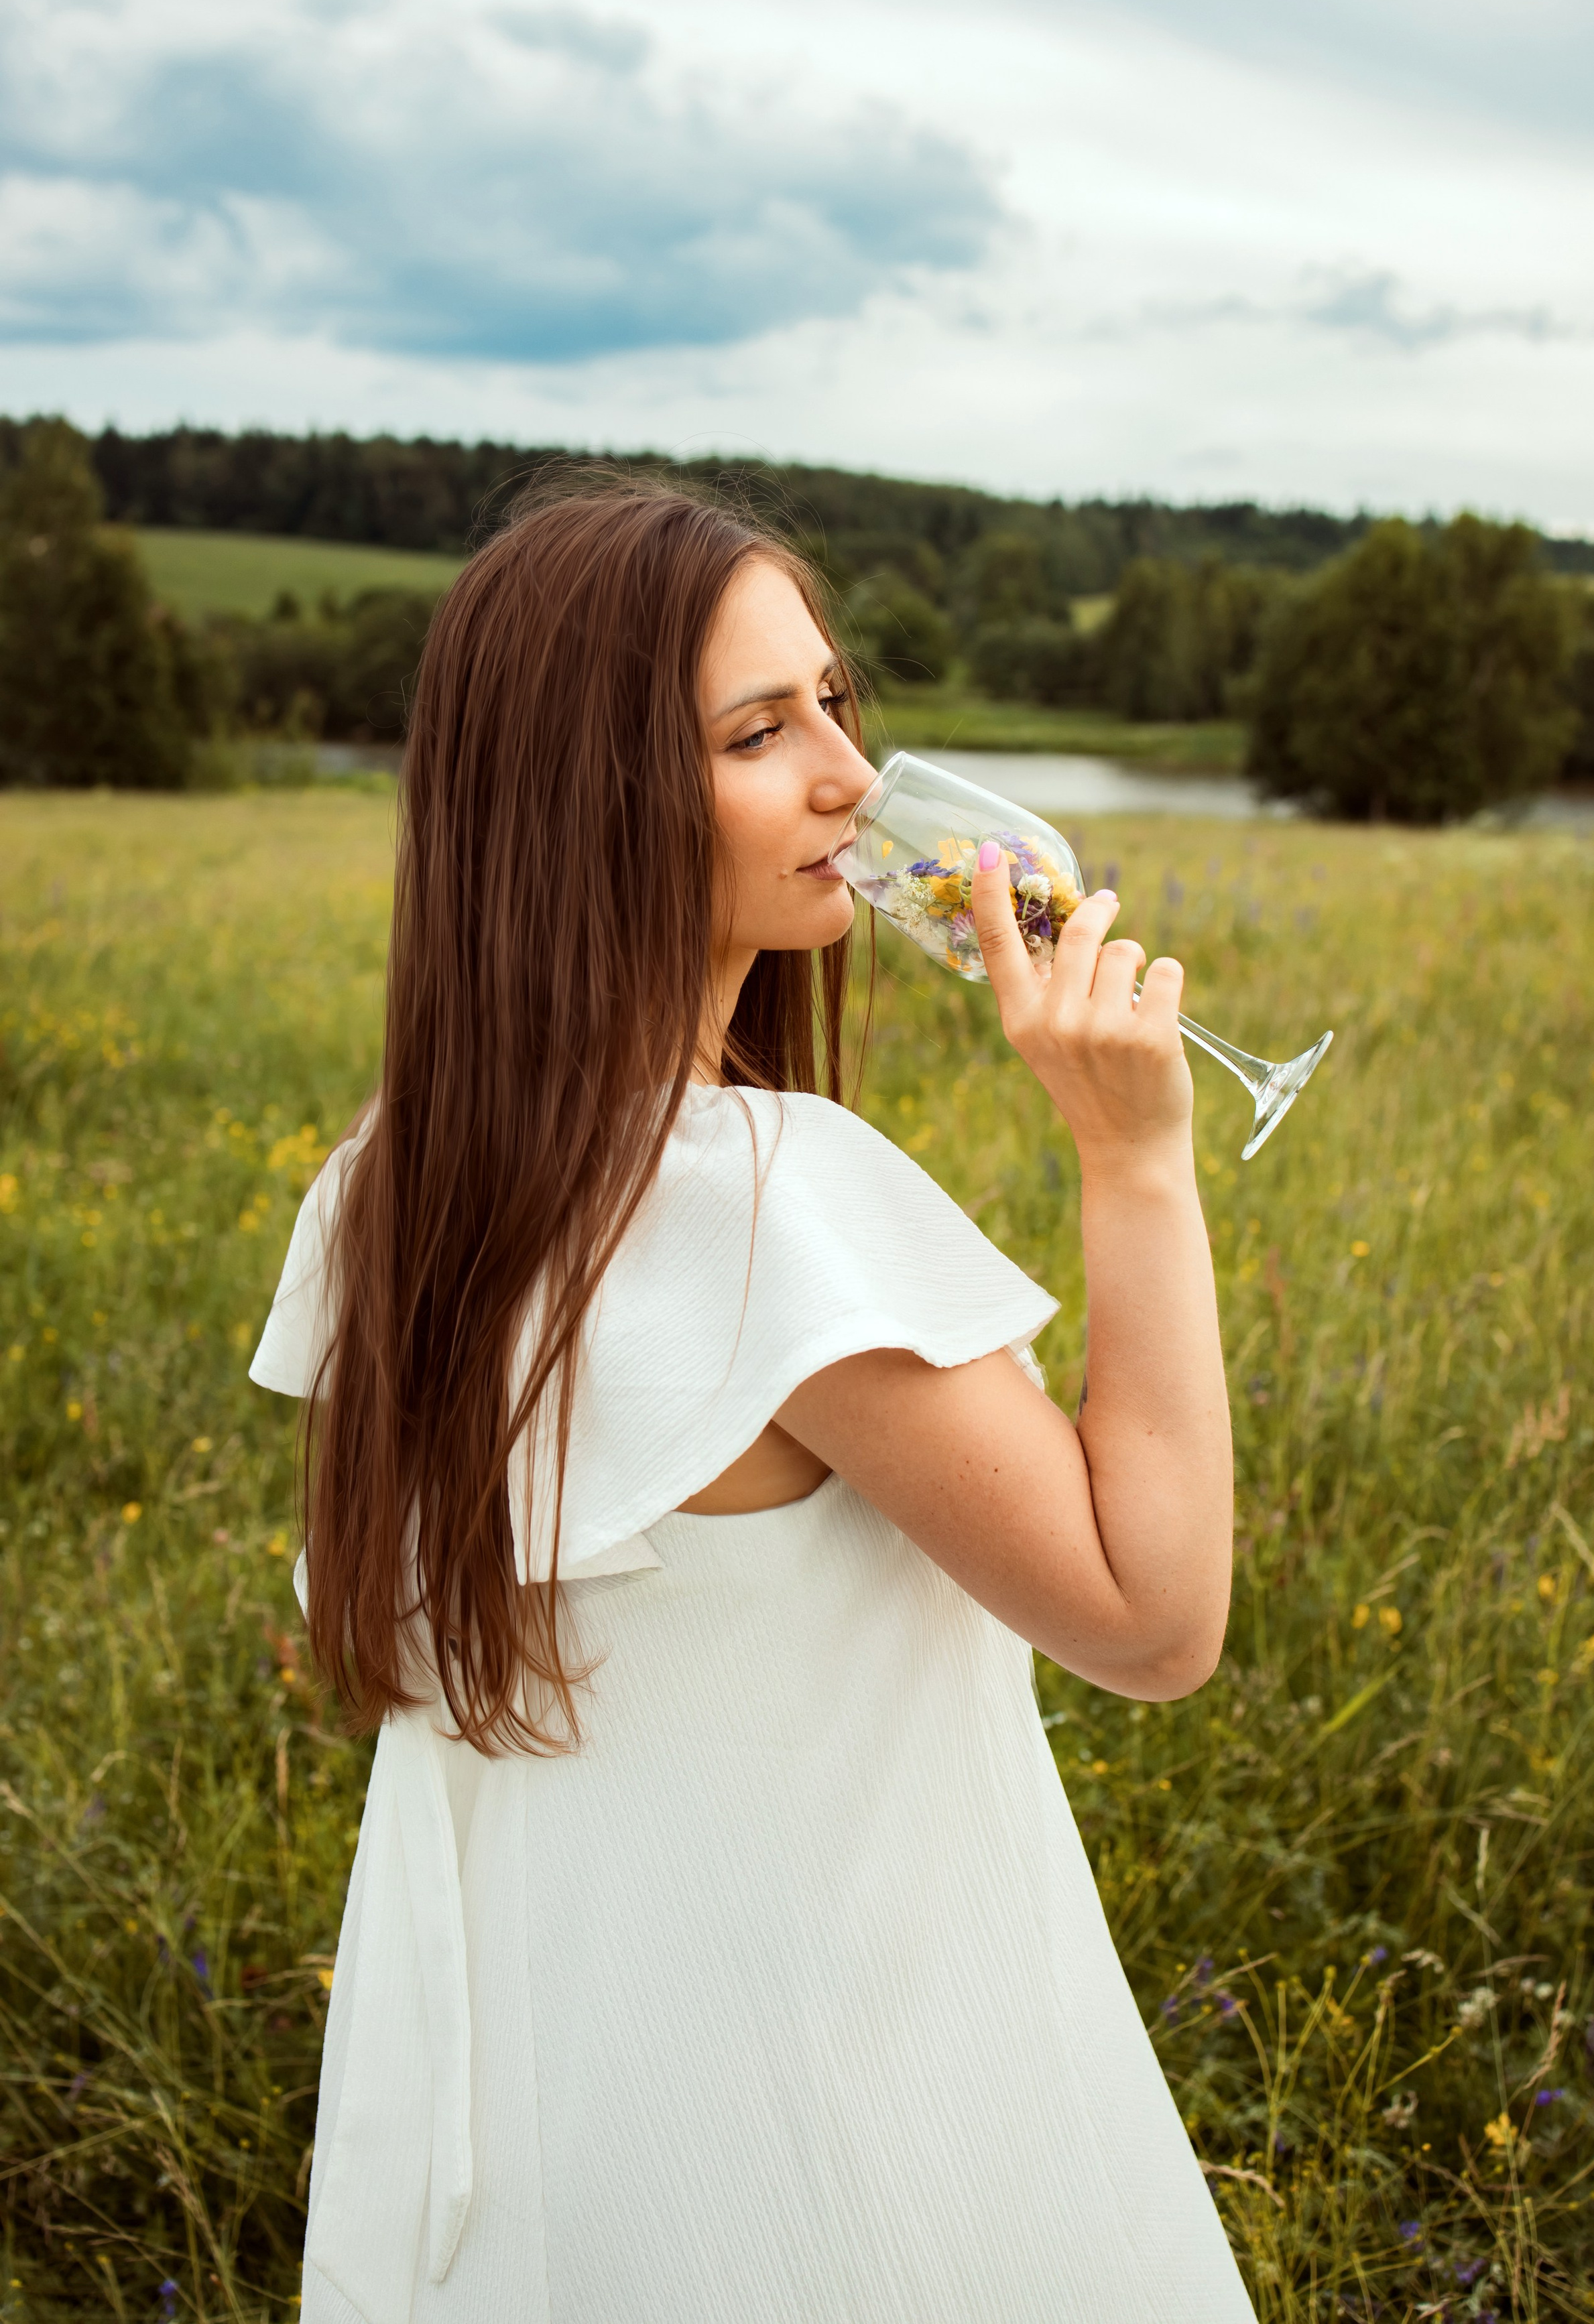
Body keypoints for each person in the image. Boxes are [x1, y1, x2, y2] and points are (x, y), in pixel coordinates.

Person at [251, 477, 1255, 2323]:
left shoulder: (391, 1190)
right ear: (592, 800)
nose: (850, 776)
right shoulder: (777, 1204)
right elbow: (1156, 1616)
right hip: (843, 2129)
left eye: (834, 703)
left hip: (573, 2154)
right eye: (755, 731)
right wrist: (1138, 1163)